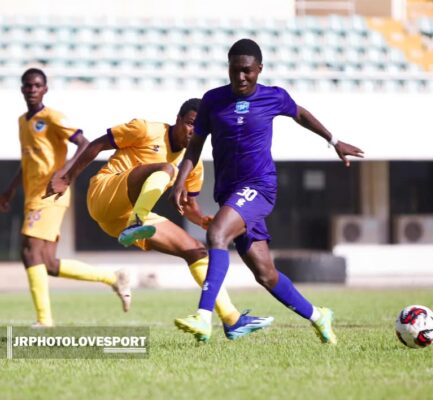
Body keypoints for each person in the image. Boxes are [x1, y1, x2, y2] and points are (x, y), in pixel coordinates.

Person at [170, 39, 364, 344]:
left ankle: (204, 317)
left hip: (258, 188)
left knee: (217, 234)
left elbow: (300, 114)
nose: (241, 77)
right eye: (235, 71)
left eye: (247, 71)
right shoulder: (212, 101)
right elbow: (196, 144)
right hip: (230, 194)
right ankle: (318, 315)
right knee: (265, 274)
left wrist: (334, 140)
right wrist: (180, 179)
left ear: (259, 69)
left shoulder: (274, 97)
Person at [45, 98, 273, 340]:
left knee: (196, 251)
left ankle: (232, 319)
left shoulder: (193, 163)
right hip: (104, 192)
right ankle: (137, 221)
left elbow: (189, 204)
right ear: (177, 120)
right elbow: (97, 145)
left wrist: (202, 220)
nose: (192, 132)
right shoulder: (146, 130)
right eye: (189, 124)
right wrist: (68, 177)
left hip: (123, 219)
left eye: (200, 129)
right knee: (166, 169)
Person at [0, 68, 130, 327]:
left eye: (37, 85)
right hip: (32, 195)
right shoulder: (22, 121)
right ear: (22, 89)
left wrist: (64, 172)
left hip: (51, 194)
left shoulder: (52, 117)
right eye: (28, 85)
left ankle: (44, 320)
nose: (32, 90)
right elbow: (28, 161)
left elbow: (84, 143)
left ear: (45, 89)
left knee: (29, 251)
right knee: (46, 263)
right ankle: (112, 278)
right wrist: (11, 189)